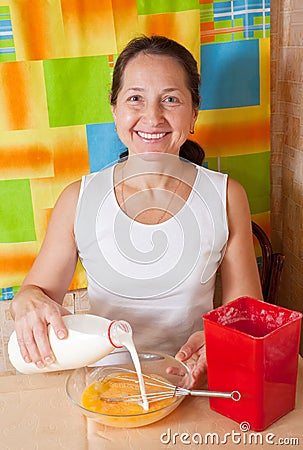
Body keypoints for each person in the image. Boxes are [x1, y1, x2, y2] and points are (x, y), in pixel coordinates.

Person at [10, 35, 262, 388]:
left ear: (194, 112)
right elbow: (36, 291)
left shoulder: (225, 196)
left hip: (196, 382)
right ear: (115, 110)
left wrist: (224, 337)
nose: (152, 116)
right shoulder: (77, 199)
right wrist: (28, 302)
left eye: (170, 99)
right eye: (135, 99)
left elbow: (245, 307)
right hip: (107, 385)